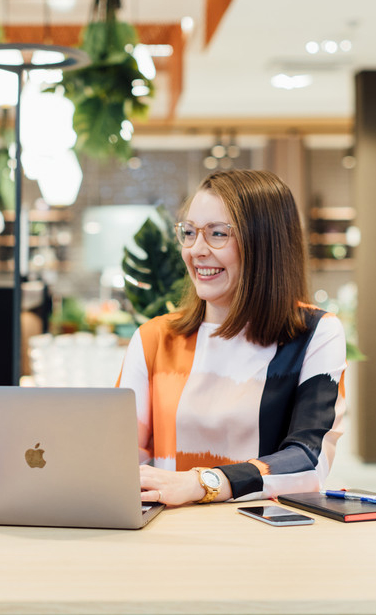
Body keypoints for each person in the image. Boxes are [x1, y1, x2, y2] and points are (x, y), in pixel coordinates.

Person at [118, 169, 346, 506]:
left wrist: (202, 482)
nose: (196, 250)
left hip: (267, 538)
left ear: (265, 243)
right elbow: (118, 459)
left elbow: (308, 460)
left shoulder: (315, 334)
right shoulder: (154, 339)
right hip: (166, 536)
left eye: (218, 234)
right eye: (190, 232)